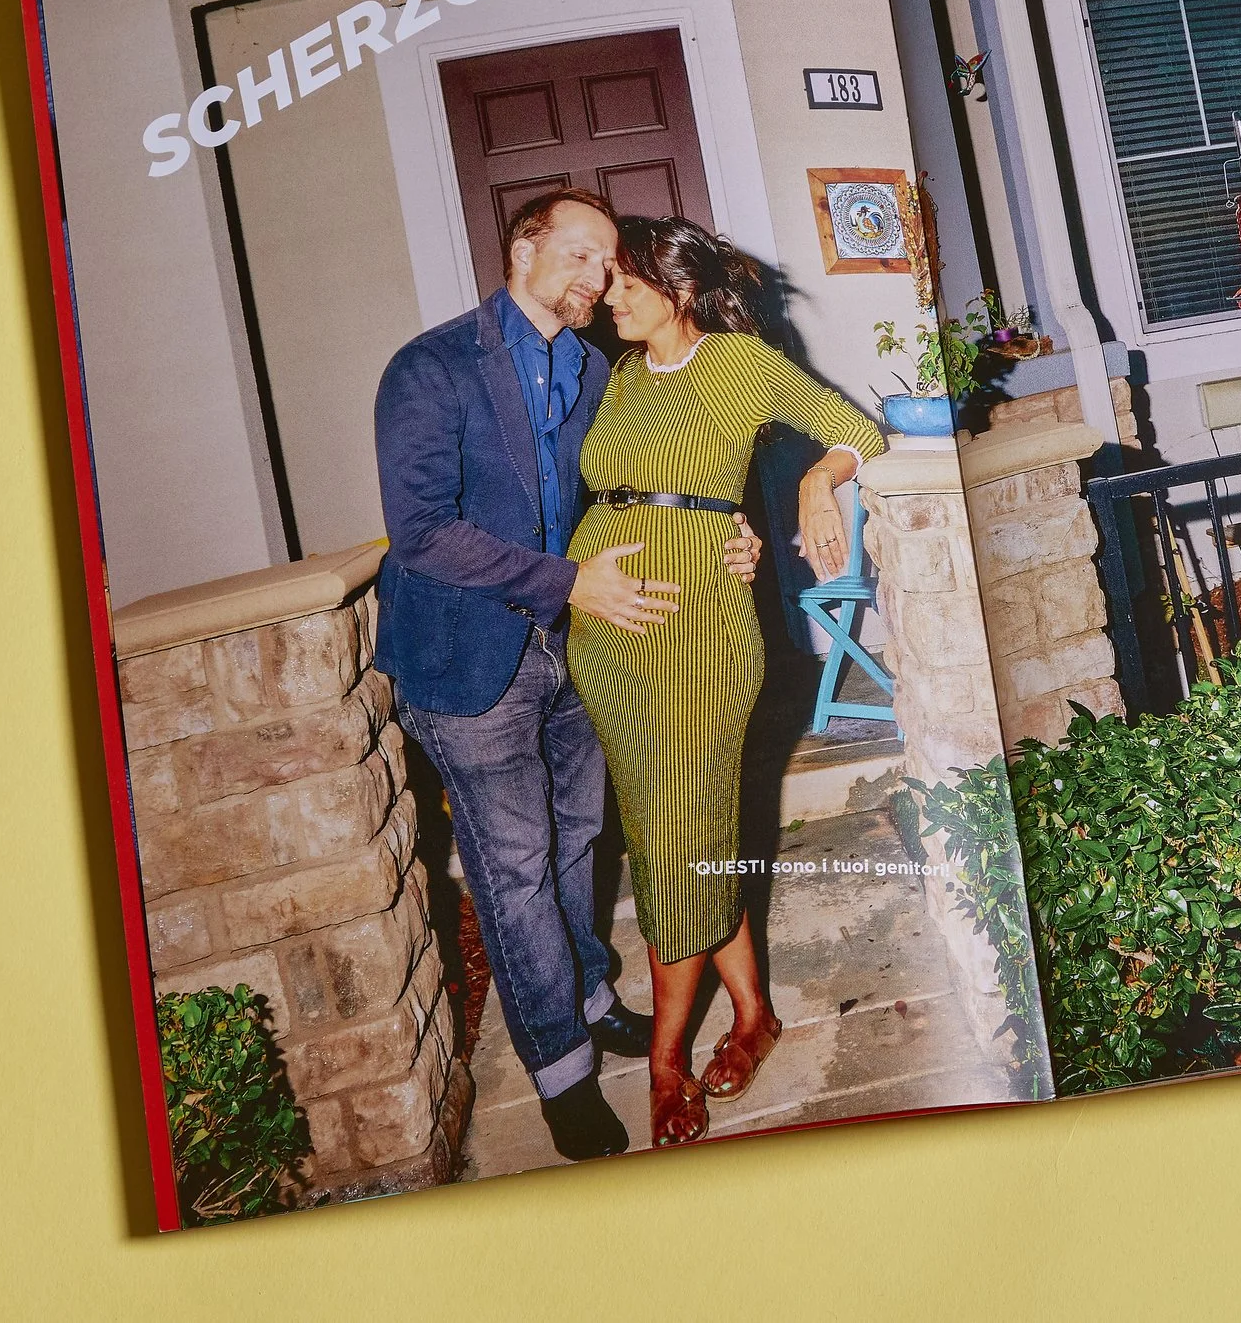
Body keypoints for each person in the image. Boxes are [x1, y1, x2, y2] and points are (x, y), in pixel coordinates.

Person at [370, 188, 765, 1161]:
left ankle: (590, 995)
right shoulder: (429, 367)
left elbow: (639, 482)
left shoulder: (595, 369)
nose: (596, 277)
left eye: (607, 263)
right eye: (579, 254)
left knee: (580, 838)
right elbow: (422, 533)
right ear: (521, 248)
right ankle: (560, 1069)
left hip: (576, 645)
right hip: (468, 657)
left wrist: (729, 530)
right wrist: (568, 579)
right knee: (511, 868)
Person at [568, 216, 887, 1145]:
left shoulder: (738, 362)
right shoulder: (620, 377)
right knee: (682, 833)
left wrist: (806, 488)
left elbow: (852, 428)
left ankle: (665, 1066)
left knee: (675, 848)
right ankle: (754, 1016)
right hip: (608, 637)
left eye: (626, 281)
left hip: (700, 628)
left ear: (678, 287)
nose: (610, 295)